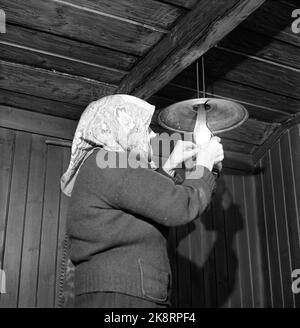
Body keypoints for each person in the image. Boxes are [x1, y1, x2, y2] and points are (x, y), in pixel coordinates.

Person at [60, 94, 224, 308]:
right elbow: (177, 206)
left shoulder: (101, 165)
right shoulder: (108, 160)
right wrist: (204, 165)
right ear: (120, 125)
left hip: (114, 293)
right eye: (144, 128)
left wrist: (170, 166)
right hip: (122, 296)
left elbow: (140, 208)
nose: (151, 136)